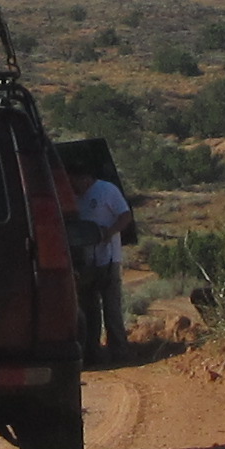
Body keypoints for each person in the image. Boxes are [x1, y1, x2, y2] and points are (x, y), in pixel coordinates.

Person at [70, 151, 136, 359]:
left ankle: (119, 349)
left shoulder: (106, 190)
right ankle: (92, 350)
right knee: (89, 305)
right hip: (87, 260)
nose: (73, 186)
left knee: (111, 304)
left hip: (109, 257)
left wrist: (109, 232)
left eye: (75, 181)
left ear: (84, 178)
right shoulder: (74, 196)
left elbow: (125, 215)